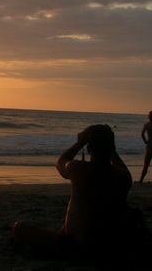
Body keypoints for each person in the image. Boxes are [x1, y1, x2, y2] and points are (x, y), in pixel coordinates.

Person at [13, 124, 138, 266]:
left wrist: (79, 143)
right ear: (112, 149)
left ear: (89, 149)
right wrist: (111, 150)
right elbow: (123, 169)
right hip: (109, 248)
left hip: (77, 248)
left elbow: (60, 162)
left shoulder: (78, 169)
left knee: (19, 227)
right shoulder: (123, 176)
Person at [139, 111, 152, 183]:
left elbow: (142, 134)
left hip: (150, 145)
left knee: (146, 165)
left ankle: (141, 180)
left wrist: (145, 141)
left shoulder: (147, 125)